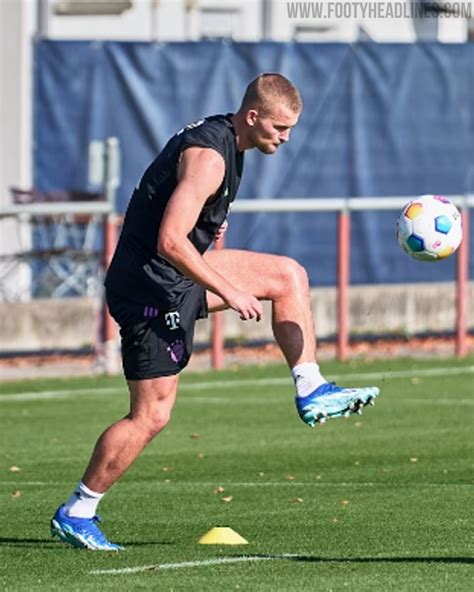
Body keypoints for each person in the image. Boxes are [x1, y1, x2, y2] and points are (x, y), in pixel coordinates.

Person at [51, 73, 380, 551]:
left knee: (287, 276)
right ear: (253, 117)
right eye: (280, 128)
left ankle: (311, 387)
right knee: (151, 416)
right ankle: (79, 510)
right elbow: (169, 240)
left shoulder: (231, 143)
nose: (286, 138)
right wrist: (230, 290)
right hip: (150, 291)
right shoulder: (209, 157)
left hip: (176, 278)